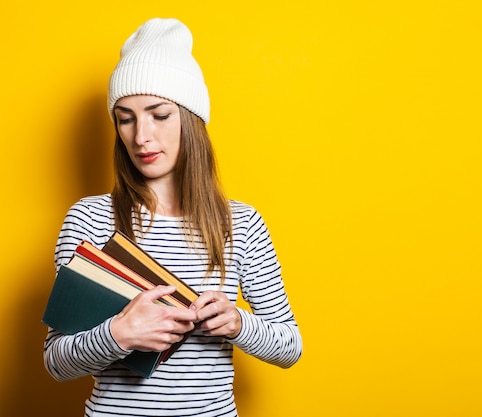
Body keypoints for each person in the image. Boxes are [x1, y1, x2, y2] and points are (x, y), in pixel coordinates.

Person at [43, 17, 302, 417]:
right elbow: (57, 362)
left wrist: (237, 324)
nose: (140, 135)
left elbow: (290, 347)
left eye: (158, 114)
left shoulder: (242, 224)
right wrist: (119, 333)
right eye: (125, 118)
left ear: (190, 119)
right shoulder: (90, 218)